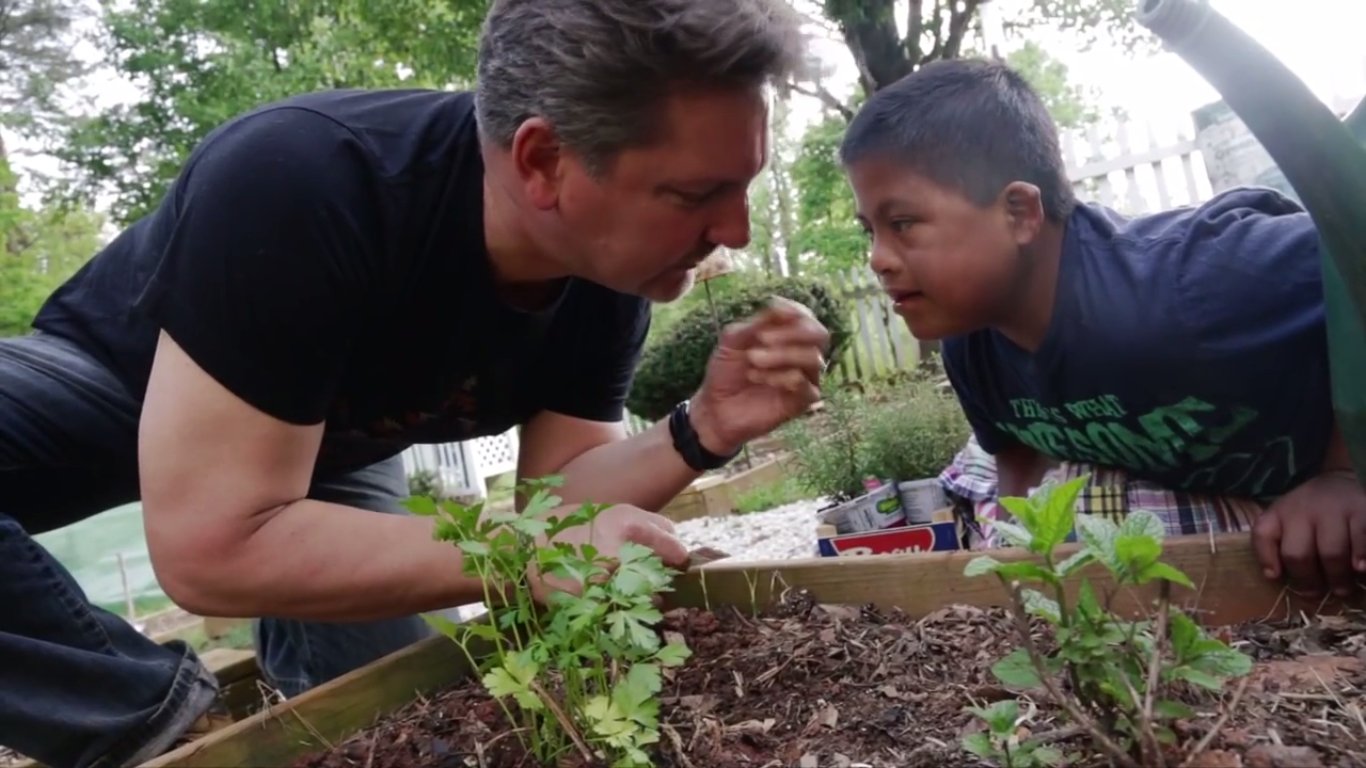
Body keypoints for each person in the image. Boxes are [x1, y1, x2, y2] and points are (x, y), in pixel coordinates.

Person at [0, 1, 830, 766]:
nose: (736, 231)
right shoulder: (309, 179)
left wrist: (701, 428)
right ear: (543, 161)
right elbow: (211, 549)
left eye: (743, 185)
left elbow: (557, 503)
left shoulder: (602, 264)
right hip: (117, 382)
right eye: (696, 194)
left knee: (397, 710)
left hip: (331, 452)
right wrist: (530, 555)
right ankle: (165, 725)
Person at [838, 58, 1366, 600]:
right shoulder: (972, 345)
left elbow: (1354, 250)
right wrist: (1015, 567)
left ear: (1019, 212)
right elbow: (1017, 462)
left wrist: (1345, 474)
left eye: (902, 224)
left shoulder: (1193, 286)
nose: (878, 259)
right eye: (871, 231)